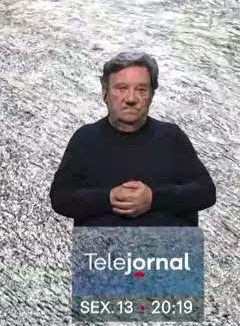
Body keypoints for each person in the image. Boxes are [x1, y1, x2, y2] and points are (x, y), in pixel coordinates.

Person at [49, 51, 215, 227]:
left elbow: (206, 192)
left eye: (141, 90)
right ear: (105, 93)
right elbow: (60, 198)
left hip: (167, 244)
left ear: (152, 95)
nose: (131, 99)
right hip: (102, 244)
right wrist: (108, 198)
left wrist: (153, 198)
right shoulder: (85, 139)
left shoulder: (172, 137)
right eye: (121, 88)